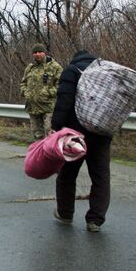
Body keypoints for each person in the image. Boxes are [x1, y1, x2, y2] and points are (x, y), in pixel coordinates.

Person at [50, 50, 113, 233]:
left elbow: (64, 100)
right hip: (102, 132)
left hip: (75, 133)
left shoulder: (72, 70)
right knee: (100, 176)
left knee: (67, 173)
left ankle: (65, 213)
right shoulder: (106, 72)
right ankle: (95, 220)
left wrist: (56, 126)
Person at [20, 43, 63, 140]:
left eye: (40, 52)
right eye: (35, 52)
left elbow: (61, 85)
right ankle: (40, 154)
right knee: (37, 134)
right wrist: (25, 92)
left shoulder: (54, 67)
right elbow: (23, 83)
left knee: (50, 134)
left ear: (44, 53)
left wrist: (48, 92)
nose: (37, 54)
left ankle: (51, 154)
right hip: (32, 106)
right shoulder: (30, 68)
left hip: (48, 106)